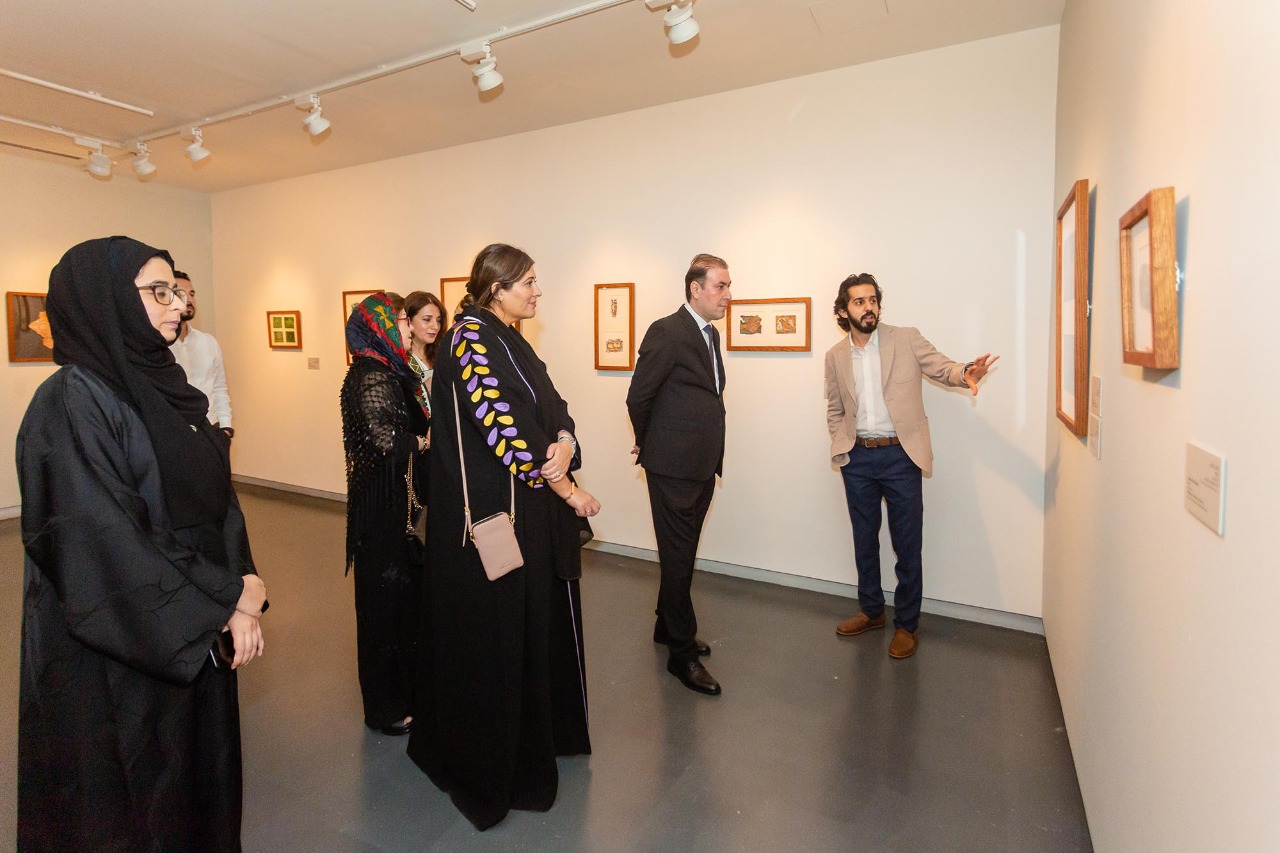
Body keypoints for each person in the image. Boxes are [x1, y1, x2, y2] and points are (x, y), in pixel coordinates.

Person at [15, 236, 267, 851]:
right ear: (105, 301)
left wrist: (241, 581)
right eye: (159, 292)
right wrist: (224, 595)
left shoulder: (164, 385)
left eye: (176, 291)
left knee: (195, 782)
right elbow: (106, 542)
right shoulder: (71, 401)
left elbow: (217, 496)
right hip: (122, 643)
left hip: (194, 621)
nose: (178, 305)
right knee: (132, 798)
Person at [407, 243, 600, 831]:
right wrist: (567, 487)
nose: (538, 292)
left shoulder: (509, 337)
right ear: (497, 287)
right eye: (529, 282)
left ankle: (540, 739)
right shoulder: (470, 339)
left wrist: (564, 440)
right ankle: (498, 762)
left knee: (532, 629)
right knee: (497, 640)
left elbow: (553, 405)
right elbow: (505, 428)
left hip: (527, 516)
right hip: (493, 523)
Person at [824, 273, 998, 659]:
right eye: (859, 302)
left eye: (873, 300)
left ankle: (907, 623)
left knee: (907, 543)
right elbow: (835, 407)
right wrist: (841, 443)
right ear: (844, 311)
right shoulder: (835, 356)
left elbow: (942, 367)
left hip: (901, 457)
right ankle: (871, 610)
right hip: (858, 458)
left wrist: (965, 372)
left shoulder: (905, 338)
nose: (869, 307)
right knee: (864, 540)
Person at [626, 253, 731, 696]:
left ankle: (665, 626)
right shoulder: (668, 331)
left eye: (728, 286)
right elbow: (638, 396)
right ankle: (681, 654)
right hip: (672, 466)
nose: (727, 294)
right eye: (721, 286)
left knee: (680, 552)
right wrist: (647, 440)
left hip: (700, 464)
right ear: (695, 288)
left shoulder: (710, 334)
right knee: (678, 556)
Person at [340, 292, 431, 736]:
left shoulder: (388, 369)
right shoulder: (372, 375)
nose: (408, 327)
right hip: (381, 512)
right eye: (400, 320)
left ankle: (404, 694)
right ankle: (384, 708)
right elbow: (384, 441)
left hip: (393, 505)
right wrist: (423, 442)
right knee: (383, 612)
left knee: (400, 608)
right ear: (378, 327)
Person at [170, 269, 234, 439]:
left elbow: (219, 388)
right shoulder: (158, 347)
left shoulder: (208, 342)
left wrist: (226, 427)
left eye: (192, 294)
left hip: (212, 430)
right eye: (181, 294)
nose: (189, 299)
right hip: (176, 435)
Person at [403, 289, 446, 405]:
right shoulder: (401, 359)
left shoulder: (442, 354)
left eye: (438, 321)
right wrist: (425, 390)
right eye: (427, 320)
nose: (435, 326)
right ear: (408, 320)